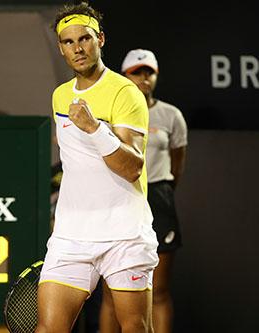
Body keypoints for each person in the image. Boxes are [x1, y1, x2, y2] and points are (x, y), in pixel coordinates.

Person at [36, 3, 159, 333]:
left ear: (100, 39)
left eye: (85, 38)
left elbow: (132, 167)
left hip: (124, 234)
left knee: (135, 327)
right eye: (68, 42)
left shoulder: (125, 92)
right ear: (61, 48)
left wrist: (95, 128)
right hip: (72, 236)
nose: (78, 48)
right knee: (48, 329)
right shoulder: (60, 96)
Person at [100, 49, 188, 333]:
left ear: (156, 75)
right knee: (113, 293)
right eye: (136, 72)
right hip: (119, 196)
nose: (143, 78)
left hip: (159, 198)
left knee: (158, 291)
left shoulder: (171, 115)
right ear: (126, 75)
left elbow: (178, 161)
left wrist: (161, 190)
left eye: (148, 72)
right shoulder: (111, 110)